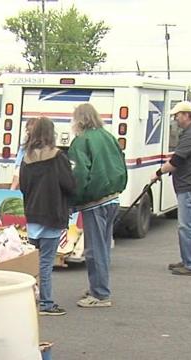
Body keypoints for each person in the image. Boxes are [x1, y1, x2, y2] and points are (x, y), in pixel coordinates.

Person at [68, 103, 128, 308]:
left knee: (94, 250)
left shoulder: (81, 142)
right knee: (104, 248)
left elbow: (80, 173)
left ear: (79, 120)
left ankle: (100, 293)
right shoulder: (108, 136)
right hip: (113, 198)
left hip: (94, 201)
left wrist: (73, 200)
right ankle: (99, 286)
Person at [18, 117, 76, 316]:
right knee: (46, 263)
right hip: (52, 213)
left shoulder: (27, 158)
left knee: (33, 262)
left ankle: (30, 299)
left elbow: (23, 187)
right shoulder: (58, 156)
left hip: (33, 214)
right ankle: (46, 303)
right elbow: (69, 184)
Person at [150, 101, 191, 276]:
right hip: (186, 184)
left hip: (188, 185)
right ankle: (188, 260)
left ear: (186, 115)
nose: (175, 118)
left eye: (178, 115)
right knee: (186, 226)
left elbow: (177, 160)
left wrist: (158, 172)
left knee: (187, 226)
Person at [10, 118, 39, 191]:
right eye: (28, 130)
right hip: (24, 163)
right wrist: (17, 165)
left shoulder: (40, 140)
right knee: (17, 175)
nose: (29, 132)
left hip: (34, 165)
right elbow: (21, 152)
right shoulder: (26, 139)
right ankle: (12, 190)